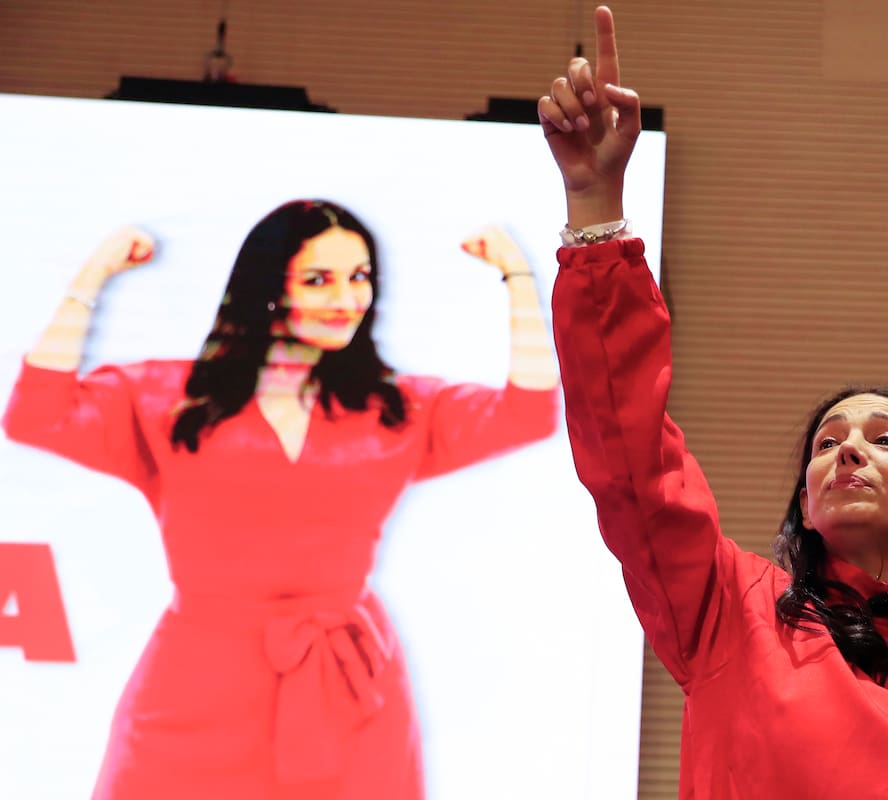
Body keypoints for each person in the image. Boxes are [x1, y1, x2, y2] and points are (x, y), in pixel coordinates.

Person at [538, 7, 888, 799]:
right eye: (827, 443)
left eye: (884, 439)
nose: (847, 450)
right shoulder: (729, 610)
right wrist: (596, 204)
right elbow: (630, 459)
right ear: (805, 497)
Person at [2, 200, 559, 799]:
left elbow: (529, 414)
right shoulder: (170, 399)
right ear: (267, 288)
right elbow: (34, 416)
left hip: (346, 690)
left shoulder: (392, 408)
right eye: (318, 280)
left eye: (360, 278)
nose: (346, 299)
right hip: (198, 684)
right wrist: (94, 275)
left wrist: (517, 277)